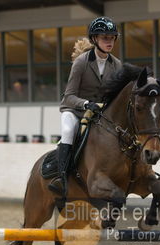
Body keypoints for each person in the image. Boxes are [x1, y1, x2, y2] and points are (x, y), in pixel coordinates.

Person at [48, 17, 122, 196]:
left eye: (112, 37)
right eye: (105, 37)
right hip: (74, 109)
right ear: (95, 39)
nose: (109, 41)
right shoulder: (81, 62)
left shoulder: (116, 65)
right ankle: (61, 178)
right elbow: (69, 95)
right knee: (68, 130)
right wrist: (87, 103)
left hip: (99, 113)